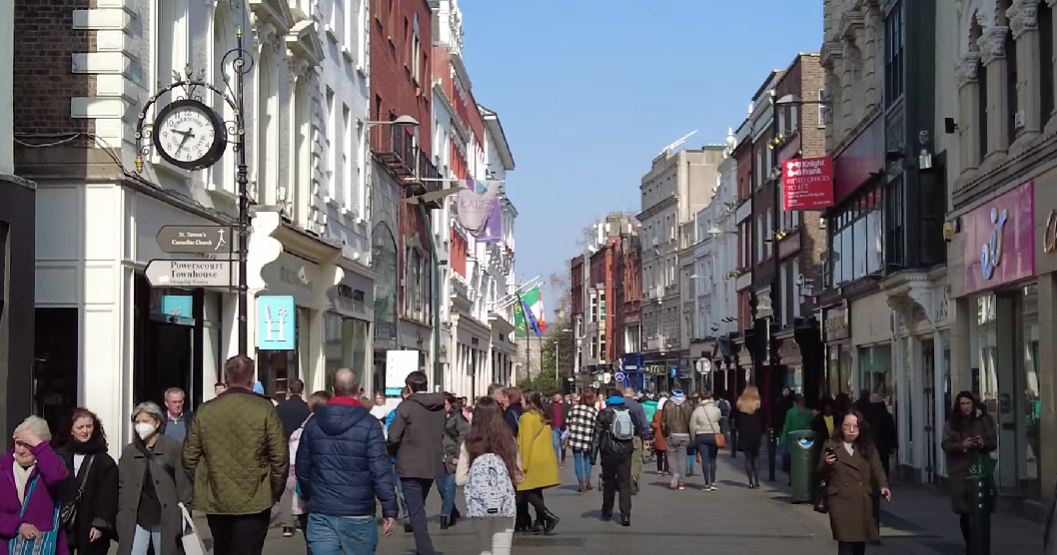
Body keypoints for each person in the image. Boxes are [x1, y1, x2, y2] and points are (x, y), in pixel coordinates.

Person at [183, 355, 288, 555]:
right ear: (252, 379)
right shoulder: (264, 408)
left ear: (225, 377)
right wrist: (274, 491)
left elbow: (189, 457)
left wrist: (204, 484)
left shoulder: (206, 410)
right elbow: (279, 458)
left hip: (217, 498)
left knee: (222, 549)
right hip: (255, 499)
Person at [296, 369, 398, 555]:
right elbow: (380, 470)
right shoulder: (370, 424)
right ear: (358, 390)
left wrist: (311, 494)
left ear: (333, 390)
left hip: (322, 509)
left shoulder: (314, 422)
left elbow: (302, 467)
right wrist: (389, 509)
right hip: (358, 511)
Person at [117, 402, 193, 555]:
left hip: (165, 517)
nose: (140, 426)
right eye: (137, 422)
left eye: (145, 421)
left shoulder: (172, 447)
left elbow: (183, 483)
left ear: (157, 422)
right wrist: (121, 514)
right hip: (137, 517)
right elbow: (121, 484)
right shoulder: (130, 451)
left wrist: (183, 512)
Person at [387, 371, 446, 555]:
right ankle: (425, 548)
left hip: (410, 464)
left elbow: (393, 436)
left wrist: (390, 452)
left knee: (416, 511)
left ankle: (425, 549)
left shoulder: (407, 407)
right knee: (418, 506)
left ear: (410, 387)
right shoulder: (439, 407)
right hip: (432, 463)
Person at [818, 411, 891, 555]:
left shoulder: (867, 448)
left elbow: (877, 468)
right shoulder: (831, 445)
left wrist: (883, 486)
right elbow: (819, 472)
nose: (851, 430)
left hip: (862, 500)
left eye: (855, 427)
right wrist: (826, 464)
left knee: (859, 544)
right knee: (845, 543)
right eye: (847, 426)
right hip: (840, 500)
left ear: (861, 428)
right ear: (841, 427)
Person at [457, 396, 522, 555]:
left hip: (479, 505)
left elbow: (459, 479)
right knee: (502, 550)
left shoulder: (469, 444)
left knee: (484, 549)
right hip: (505, 504)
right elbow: (519, 477)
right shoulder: (509, 441)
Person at [54, 408, 118, 555]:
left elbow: (108, 495)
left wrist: (100, 524)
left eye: (88, 426)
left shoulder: (104, 460)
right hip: (64, 522)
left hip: (90, 523)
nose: (85, 431)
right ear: (71, 430)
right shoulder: (59, 455)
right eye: (80, 427)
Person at [1, 417, 68, 555]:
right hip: (6, 547)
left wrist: (38, 445)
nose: (20, 450)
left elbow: (57, 476)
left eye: (27, 444)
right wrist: (17, 526)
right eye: (18, 443)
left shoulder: (48, 467)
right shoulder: (3, 468)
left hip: (42, 548)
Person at [941, 391, 998, 552]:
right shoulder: (952, 423)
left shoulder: (983, 420)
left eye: (968, 403)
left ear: (973, 404)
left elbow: (993, 441)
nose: (965, 407)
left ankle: (981, 545)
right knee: (965, 511)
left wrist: (982, 443)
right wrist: (962, 445)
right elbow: (946, 444)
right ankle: (970, 545)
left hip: (980, 467)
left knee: (981, 509)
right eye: (962, 404)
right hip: (960, 471)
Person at [285, 390, 332, 544]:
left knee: (312, 542)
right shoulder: (336, 431)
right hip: (332, 497)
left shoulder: (298, 434)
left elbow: (292, 470)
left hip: (304, 496)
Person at [591, 390, 639, 527]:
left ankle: (607, 512)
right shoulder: (629, 412)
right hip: (626, 452)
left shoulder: (604, 413)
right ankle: (625, 515)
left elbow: (597, 435)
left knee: (609, 483)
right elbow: (636, 431)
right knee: (624, 483)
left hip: (608, 452)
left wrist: (593, 456)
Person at [516, 391, 561, 535]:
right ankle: (540, 521)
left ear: (528, 401)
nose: (520, 402)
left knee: (524, 490)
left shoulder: (527, 418)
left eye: (522, 399)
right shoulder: (542, 416)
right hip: (543, 459)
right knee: (535, 490)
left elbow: (526, 442)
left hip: (532, 459)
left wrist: (523, 464)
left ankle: (549, 516)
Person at [439, 392, 469, 529]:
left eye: (444, 404)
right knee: (441, 488)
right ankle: (453, 511)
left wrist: (458, 455)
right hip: (437, 457)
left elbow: (464, 435)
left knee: (449, 487)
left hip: (452, 456)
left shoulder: (457, 418)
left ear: (450, 404)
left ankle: (445, 517)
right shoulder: (433, 417)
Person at [566, 389, 599, 493]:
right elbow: (597, 426)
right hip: (588, 438)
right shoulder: (593, 411)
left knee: (577, 460)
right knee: (587, 459)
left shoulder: (574, 409)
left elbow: (568, 422)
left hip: (575, 438)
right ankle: (587, 480)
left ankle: (580, 483)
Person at [660, 389, 694, 490]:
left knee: (671, 456)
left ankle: (674, 473)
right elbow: (692, 420)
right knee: (682, 458)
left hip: (672, 434)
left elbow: (663, 421)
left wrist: (664, 432)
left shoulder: (667, 404)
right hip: (685, 434)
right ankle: (681, 483)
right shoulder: (689, 404)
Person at [690, 390, 723, 491]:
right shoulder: (716, 410)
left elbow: (692, 425)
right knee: (713, 459)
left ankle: (707, 483)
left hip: (701, 436)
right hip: (713, 435)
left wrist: (693, 438)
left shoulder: (697, 411)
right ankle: (713, 482)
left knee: (705, 460)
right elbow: (719, 419)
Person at [621, 388, 649, 494]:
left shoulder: (619, 406)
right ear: (632, 394)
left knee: (623, 460)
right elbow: (643, 422)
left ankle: (623, 480)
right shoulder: (637, 406)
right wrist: (646, 437)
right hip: (634, 437)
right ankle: (632, 479)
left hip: (620, 437)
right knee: (636, 460)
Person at [736, 386, 764, 488]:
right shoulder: (758, 404)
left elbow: (735, 418)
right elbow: (763, 418)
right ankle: (757, 481)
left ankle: (750, 482)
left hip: (744, 432)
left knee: (748, 458)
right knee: (756, 456)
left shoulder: (740, 404)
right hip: (756, 431)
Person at [547, 393, 570, 467]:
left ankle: (562, 460)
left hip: (563, 427)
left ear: (561, 397)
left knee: (563, 445)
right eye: (554, 396)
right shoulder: (550, 406)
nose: (555, 397)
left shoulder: (565, 405)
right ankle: (556, 462)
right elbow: (547, 414)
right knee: (555, 445)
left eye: (557, 396)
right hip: (554, 427)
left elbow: (568, 414)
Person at [651, 397, 669, 476]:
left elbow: (654, 424)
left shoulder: (656, 413)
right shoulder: (668, 413)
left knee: (659, 454)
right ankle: (666, 469)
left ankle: (659, 469)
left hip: (658, 435)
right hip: (666, 435)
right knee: (667, 454)